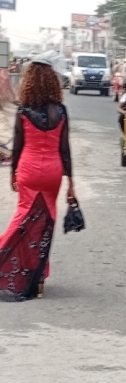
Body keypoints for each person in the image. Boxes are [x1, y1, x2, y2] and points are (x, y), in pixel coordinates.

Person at [0, 59, 74, 300]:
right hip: (52, 171)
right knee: (46, 221)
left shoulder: (24, 111)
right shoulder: (61, 112)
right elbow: (65, 150)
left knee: (22, 217)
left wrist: (13, 174)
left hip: (28, 169)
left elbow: (17, 147)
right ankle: (39, 276)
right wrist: (71, 182)